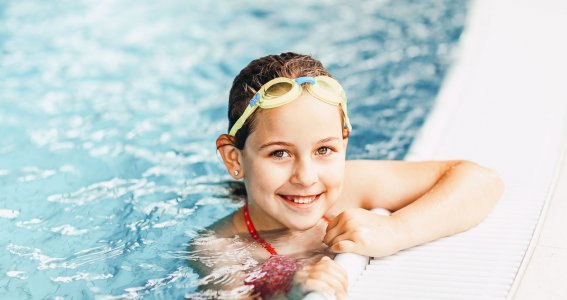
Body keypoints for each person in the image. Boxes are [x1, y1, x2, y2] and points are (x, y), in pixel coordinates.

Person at [193, 52, 504, 299]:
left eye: (324, 150)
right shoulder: (219, 249)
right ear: (234, 158)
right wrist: (290, 294)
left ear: (344, 143)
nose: (306, 176)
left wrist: (396, 230)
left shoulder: (351, 187)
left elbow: (481, 181)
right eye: (280, 153)